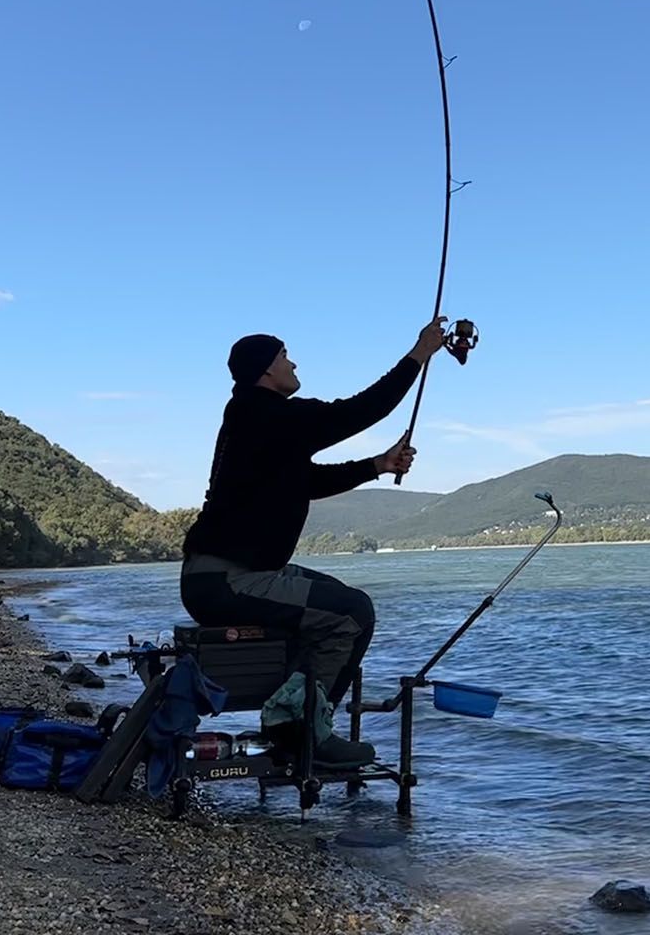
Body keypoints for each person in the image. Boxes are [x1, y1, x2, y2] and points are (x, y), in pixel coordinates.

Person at [179, 317, 449, 766]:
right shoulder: (268, 414)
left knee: (342, 601)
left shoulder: (254, 419)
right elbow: (362, 410)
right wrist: (419, 353)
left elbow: (304, 480)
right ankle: (306, 735)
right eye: (285, 356)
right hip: (228, 580)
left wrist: (378, 464)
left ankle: (290, 721)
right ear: (266, 370)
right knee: (353, 615)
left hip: (228, 574)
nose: (293, 362)